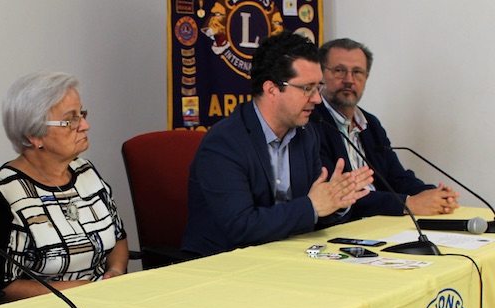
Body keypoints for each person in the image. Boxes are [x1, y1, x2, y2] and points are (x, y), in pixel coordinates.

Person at [182, 32, 375, 256]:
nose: (316, 99)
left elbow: (314, 212)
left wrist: (337, 202)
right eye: (307, 88)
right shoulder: (224, 142)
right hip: (222, 266)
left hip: (286, 256)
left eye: (317, 87)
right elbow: (241, 227)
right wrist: (313, 206)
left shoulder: (306, 134)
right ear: (271, 90)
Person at [0, 71, 129, 302]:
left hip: (105, 300)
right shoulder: (1, 195)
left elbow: (118, 237)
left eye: (82, 114)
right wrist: (80, 290)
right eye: (71, 119)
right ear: (34, 135)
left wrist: (114, 272)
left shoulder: (85, 172)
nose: (85, 125)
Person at [311, 38, 460, 219]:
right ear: (320, 74)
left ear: (366, 78)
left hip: (381, 223)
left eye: (357, 72)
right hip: (343, 227)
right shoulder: (312, 122)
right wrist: (408, 204)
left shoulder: (370, 123)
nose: (349, 80)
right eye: (339, 71)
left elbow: (396, 177)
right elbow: (336, 196)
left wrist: (435, 195)